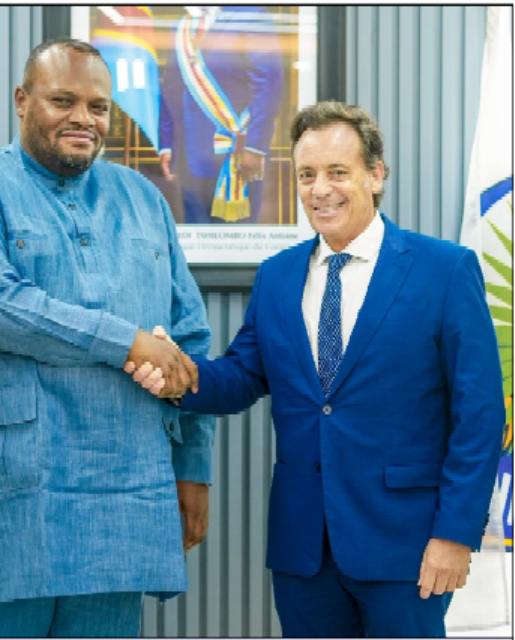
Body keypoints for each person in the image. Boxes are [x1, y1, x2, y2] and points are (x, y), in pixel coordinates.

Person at [131, 101, 505, 637]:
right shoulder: (278, 276)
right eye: (307, 175)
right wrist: (175, 375)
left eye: (338, 172)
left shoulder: (444, 270)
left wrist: (456, 534)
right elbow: (240, 377)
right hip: (304, 550)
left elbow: (481, 415)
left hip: (409, 546)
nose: (320, 189)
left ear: (376, 175)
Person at [0, 39, 214, 638]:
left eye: (98, 107)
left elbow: (188, 338)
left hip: (127, 487)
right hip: (10, 487)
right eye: (63, 101)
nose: (84, 118)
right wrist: (127, 342)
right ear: (22, 101)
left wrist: (194, 465)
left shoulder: (142, 199)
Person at [158, 5, 284, 224]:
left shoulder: (252, 15)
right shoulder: (182, 26)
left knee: (236, 238)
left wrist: (255, 147)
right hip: (187, 156)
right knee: (194, 238)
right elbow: (171, 88)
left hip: (237, 153)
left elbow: (268, 86)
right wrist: (167, 143)